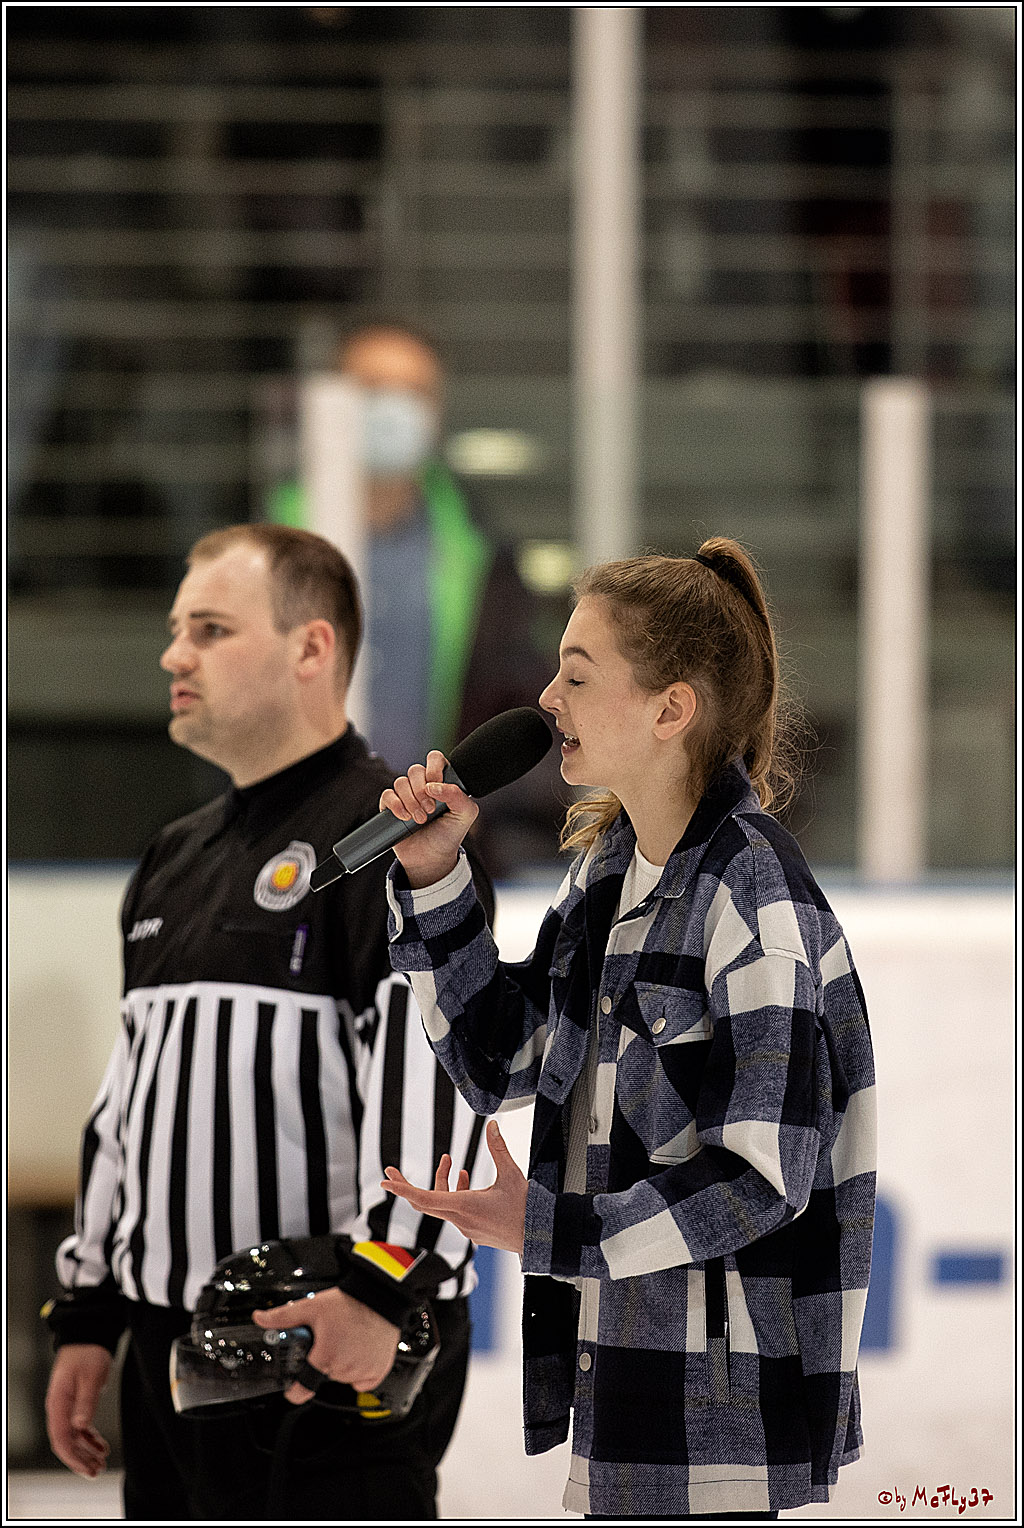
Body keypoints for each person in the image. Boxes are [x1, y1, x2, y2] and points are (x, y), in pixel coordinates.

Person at [377, 539, 877, 1519]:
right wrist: (436, 874)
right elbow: (501, 1055)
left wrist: (553, 1230)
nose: (545, 699)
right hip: (623, 1396)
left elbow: (759, 1180)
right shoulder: (608, 870)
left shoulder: (752, 890)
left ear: (669, 707)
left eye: (575, 673)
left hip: (719, 1424)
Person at [43, 523, 495, 1521]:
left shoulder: (391, 837)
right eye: (175, 630)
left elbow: (443, 1084)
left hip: (326, 1355)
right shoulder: (174, 853)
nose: (173, 655)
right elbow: (129, 1104)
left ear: (310, 648)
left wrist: (378, 1292)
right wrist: (90, 1310)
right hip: (172, 1360)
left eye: (208, 628)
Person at [271, 319, 563, 871]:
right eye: (374, 390)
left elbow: (513, 702)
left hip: (438, 850)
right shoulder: (264, 548)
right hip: (295, 849)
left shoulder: (482, 558)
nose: (393, 409)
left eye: (413, 393)